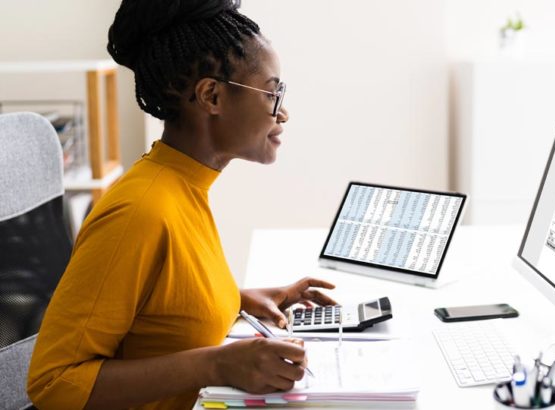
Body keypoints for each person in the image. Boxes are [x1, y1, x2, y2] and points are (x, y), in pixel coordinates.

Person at [26, 1, 334, 408]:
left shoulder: (184, 185)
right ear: (212, 95)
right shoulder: (140, 212)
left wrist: (237, 298)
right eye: (273, 93)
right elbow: (53, 385)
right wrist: (217, 365)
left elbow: (164, 304)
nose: (284, 112)